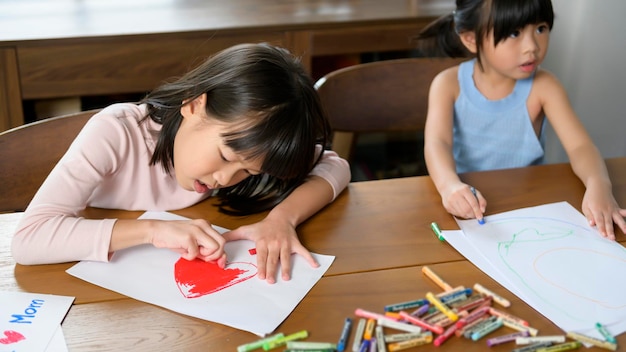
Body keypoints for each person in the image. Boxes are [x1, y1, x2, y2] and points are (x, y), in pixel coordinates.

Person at [11, 43, 351, 283]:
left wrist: (281, 220)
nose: (226, 179)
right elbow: (29, 239)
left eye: (249, 171)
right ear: (193, 106)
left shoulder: (246, 144)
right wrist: (154, 231)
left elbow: (336, 167)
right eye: (225, 157)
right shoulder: (117, 132)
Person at [416, 0, 626, 239]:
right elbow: (437, 143)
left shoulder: (545, 87)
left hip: (530, 207)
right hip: (468, 210)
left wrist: (599, 184)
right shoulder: (447, 84)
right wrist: (449, 186)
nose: (532, 47)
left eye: (541, 28)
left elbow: (580, 146)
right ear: (471, 39)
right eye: (515, 33)